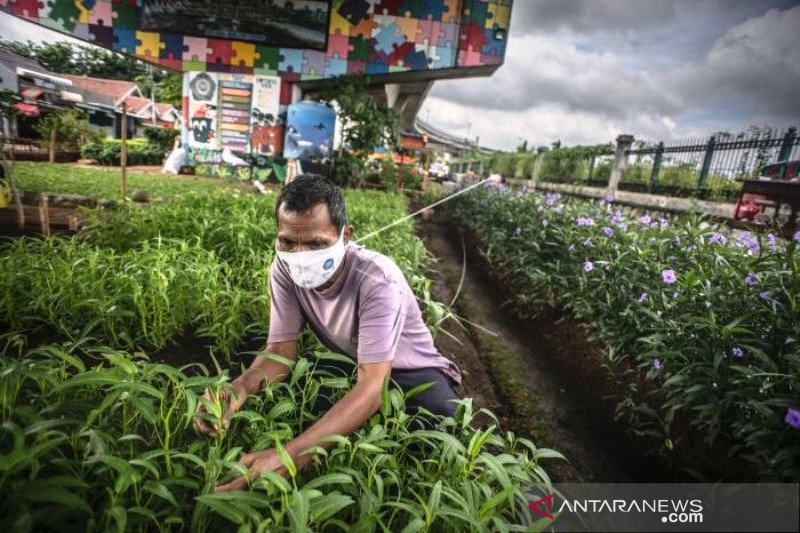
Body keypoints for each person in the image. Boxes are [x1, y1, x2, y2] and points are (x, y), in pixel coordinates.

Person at [194, 174, 462, 492]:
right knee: (292, 393)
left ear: (345, 235)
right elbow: (280, 353)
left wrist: (291, 456)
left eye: (316, 243)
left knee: (439, 426)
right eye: (288, 241)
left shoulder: (376, 278)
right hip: (354, 360)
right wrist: (237, 390)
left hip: (410, 371)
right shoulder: (283, 269)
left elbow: (374, 384)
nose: (300, 255)